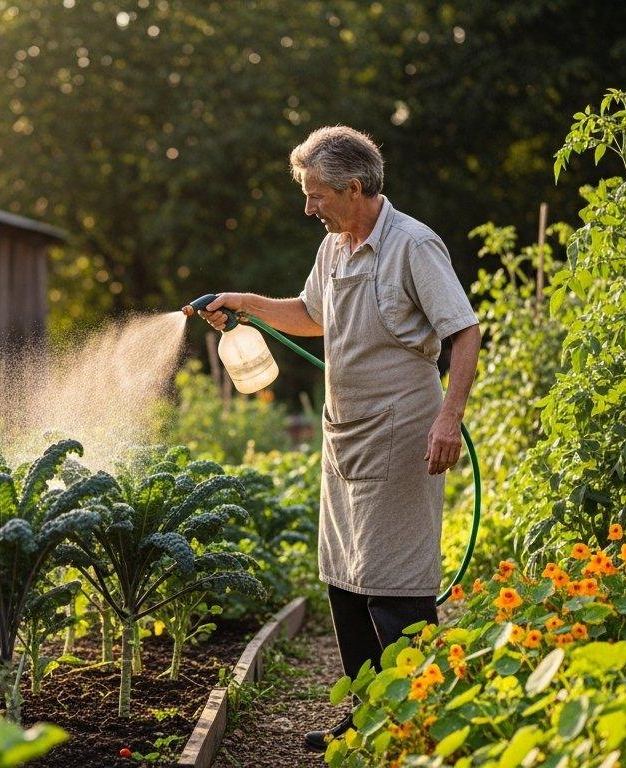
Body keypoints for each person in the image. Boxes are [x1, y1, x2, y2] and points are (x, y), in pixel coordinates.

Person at [194, 125, 480, 752]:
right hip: (344, 437)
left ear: (354, 188)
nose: (308, 207)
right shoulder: (334, 248)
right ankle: (366, 717)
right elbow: (312, 316)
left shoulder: (412, 246)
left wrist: (449, 418)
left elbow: (463, 332)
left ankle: (420, 723)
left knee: (394, 586)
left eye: (316, 194)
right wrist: (245, 302)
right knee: (347, 581)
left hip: (402, 434)